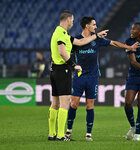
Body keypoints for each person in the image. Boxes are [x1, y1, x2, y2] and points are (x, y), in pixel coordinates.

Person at [66, 16, 139, 141]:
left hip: (93, 77)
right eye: (93, 24)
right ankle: (68, 131)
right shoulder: (76, 40)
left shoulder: (98, 39)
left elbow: (113, 43)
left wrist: (128, 47)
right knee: (74, 104)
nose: (95, 26)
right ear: (87, 26)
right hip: (79, 77)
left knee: (90, 105)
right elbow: (66, 52)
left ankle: (88, 134)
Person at [48, 11, 108, 141]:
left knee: (55, 104)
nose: (73, 23)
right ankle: (61, 135)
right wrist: (74, 65)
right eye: (72, 20)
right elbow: (62, 52)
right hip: (62, 71)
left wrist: (97, 35)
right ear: (68, 19)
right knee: (64, 104)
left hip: (54, 70)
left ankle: (52, 134)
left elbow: (81, 42)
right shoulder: (61, 34)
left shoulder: (60, 33)